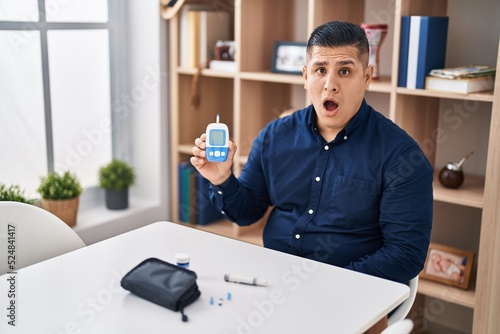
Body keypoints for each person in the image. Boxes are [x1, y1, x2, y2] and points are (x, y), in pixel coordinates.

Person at [190, 21, 433, 284]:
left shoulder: (402, 156)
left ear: (366, 77)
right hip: (273, 282)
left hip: (351, 291)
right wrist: (222, 179)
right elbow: (247, 212)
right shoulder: (274, 136)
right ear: (306, 76)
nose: (330, 84)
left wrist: (327, 283)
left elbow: (405, 255)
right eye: (320, 70)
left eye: (345, 71)